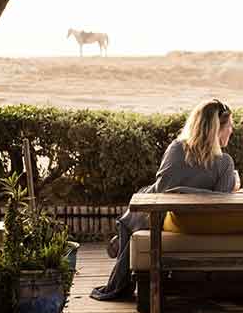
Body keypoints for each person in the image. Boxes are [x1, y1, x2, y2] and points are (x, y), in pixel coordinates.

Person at [90, 98, 239, 301]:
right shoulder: (225, 163)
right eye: (230, 125)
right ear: (217, 129)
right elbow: (221, 202)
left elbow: (162, 191)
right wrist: (234, 184)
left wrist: (180, 191)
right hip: (176, 216)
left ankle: (121, 245)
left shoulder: (177, 148)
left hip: (165, 213)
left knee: (143, 196)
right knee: (144, 195)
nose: (232, 130)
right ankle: (123, 238)